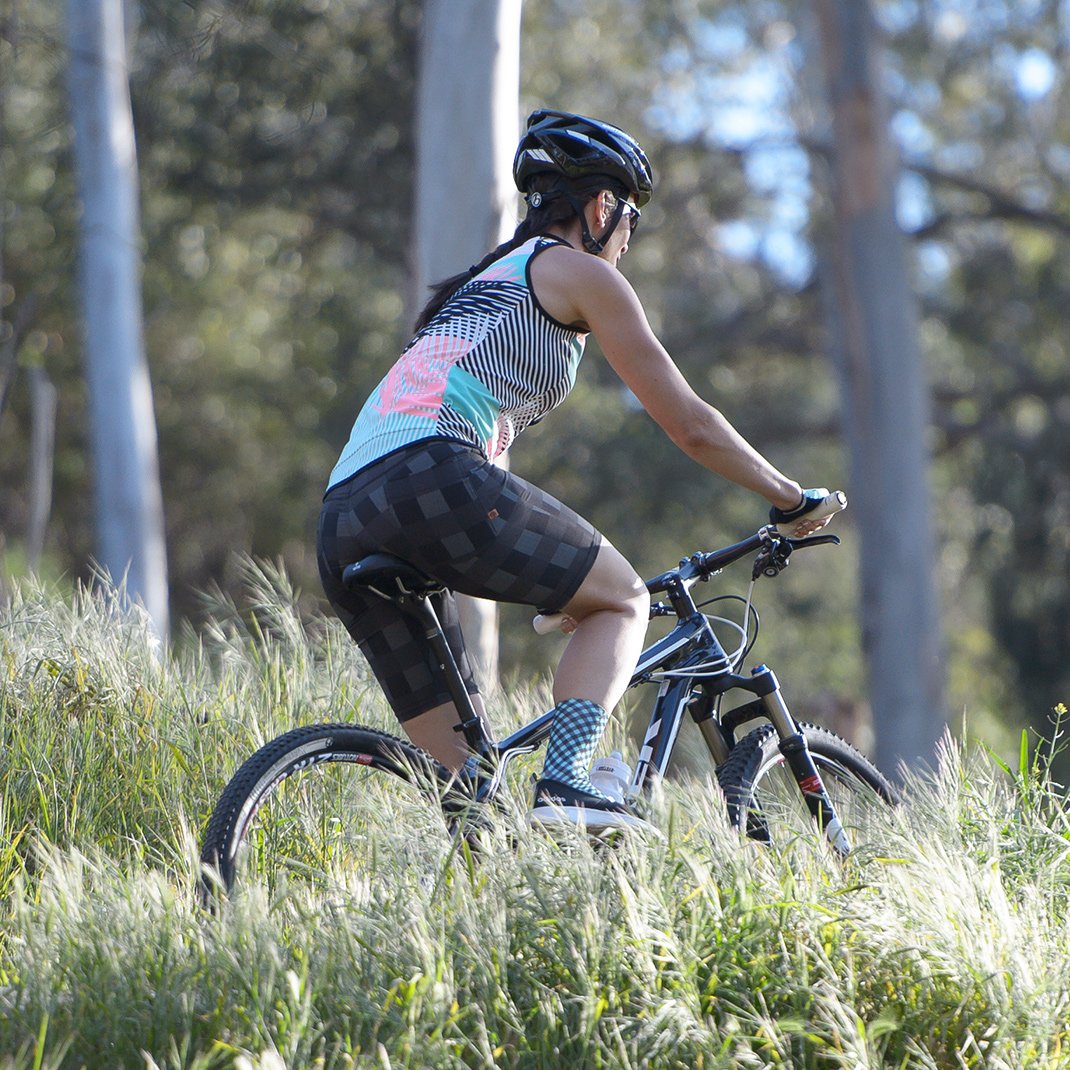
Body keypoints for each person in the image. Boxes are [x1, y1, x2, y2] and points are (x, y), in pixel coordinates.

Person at [317, 109, 833, 829]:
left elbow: (480, 442)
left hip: (344, 515)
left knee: (472, 802)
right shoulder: (578, 273)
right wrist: (787, 495)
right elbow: (689, 424)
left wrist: (550, 578)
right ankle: (567, 785)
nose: (626, 243)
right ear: (600, 207)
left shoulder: (478, 287)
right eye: (630, 224)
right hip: (431, 476)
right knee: (621, 601)